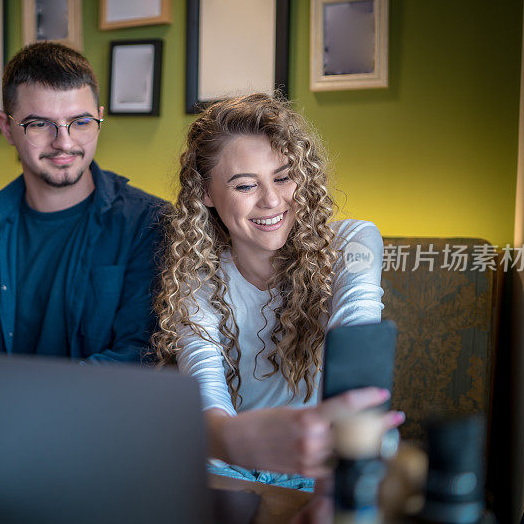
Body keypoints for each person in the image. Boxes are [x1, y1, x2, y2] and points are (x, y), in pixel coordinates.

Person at [153, 93, 404, 489]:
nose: (271, 200)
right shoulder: (196, 274)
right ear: (205, 194)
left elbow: (356, 350)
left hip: (330, 451)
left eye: (284, 177)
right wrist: (240, 443)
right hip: (231, 458)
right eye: (245, 185)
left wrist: (331, 444)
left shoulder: (353, 242)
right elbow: (206, 393)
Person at [0, 42, 165, 362]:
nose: (64, 142)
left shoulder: (147, 222)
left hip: (93, 411)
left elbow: (139, 353)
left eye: (82, 122)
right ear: (7, 127)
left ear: (100, 118)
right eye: (39, 124)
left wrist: (31, 398)